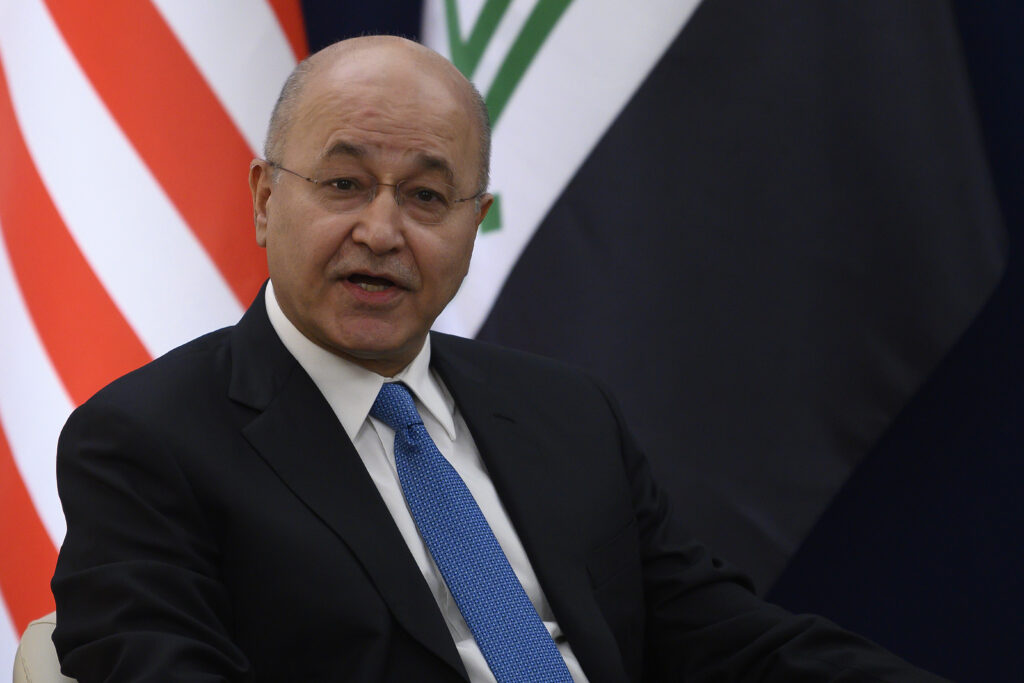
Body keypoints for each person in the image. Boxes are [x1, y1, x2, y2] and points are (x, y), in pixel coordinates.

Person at [51, 36, 946, 682]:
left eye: (427, 196)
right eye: (343, 183)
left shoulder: (566, 412)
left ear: (474, 223)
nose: (381, 230)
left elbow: (725, 639)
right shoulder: (143, 441)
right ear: (263, 198)